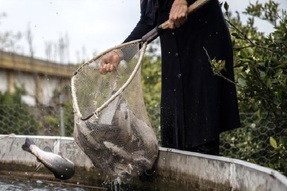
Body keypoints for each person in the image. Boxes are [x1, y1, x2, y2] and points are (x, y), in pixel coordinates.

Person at [100, 0, 240, 156]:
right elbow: (149, 21)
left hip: (202, 45)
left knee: (201, 130)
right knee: (174, 129)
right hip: (174, 52)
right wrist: (120, 52)